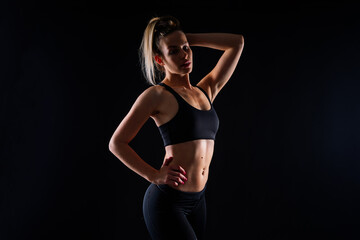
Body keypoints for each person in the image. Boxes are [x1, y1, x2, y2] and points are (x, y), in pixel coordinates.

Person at [109, 16, 244, 240]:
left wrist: (186, 38)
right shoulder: (156, 95)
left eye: (186, 48)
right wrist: (153, 175)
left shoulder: (206, 90)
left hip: (199, 200)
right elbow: (116, 143)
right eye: (173, 51)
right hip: (167, 203)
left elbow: (237, 43)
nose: (184, 54)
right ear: (159, 60)